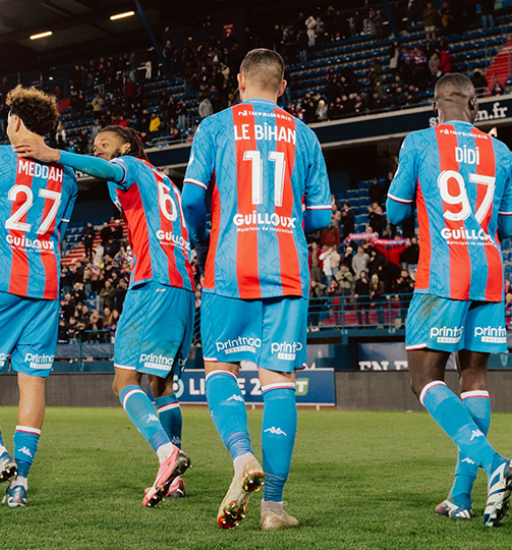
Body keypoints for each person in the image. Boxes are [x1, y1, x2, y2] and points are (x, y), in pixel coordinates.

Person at [182, 49, 331, 531]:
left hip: (228, 267)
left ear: (240, 81)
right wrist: (292, 220)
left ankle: (242, 456)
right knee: (279, 383)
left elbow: (191, 199)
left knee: (220, 368)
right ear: (282, 86)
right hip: (287, 271)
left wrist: (207, 235)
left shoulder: (215, 127)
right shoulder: (305, 135)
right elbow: (323, 218)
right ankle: (273, 508)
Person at [14, 125, 195, 506]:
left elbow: (112, 171)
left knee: (123, 381)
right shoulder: (165, 181)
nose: (98, 150)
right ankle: (173, 480)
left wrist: (52, 154)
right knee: (162, 384)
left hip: (153, 283)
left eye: (104, 144)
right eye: (94, 146)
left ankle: (167, 454)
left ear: (127, 147)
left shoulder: (130, 166)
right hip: (182, 286)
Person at [385, 73, 512, 527]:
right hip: (490, 271)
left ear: (437, 104)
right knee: (474, 375)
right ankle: (461, 497)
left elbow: (396, 212)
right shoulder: (501, 152)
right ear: (474, 104)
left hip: (444, 270)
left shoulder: (420, 141)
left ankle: (493, 461)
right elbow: (505, 229)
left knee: (422, 377)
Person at [0, 86, 77, 509]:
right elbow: (58, 232)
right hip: (46, 286)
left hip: (2, 281)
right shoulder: (67, 174)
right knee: (33, 383)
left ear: (15, 122)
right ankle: (20, 483)